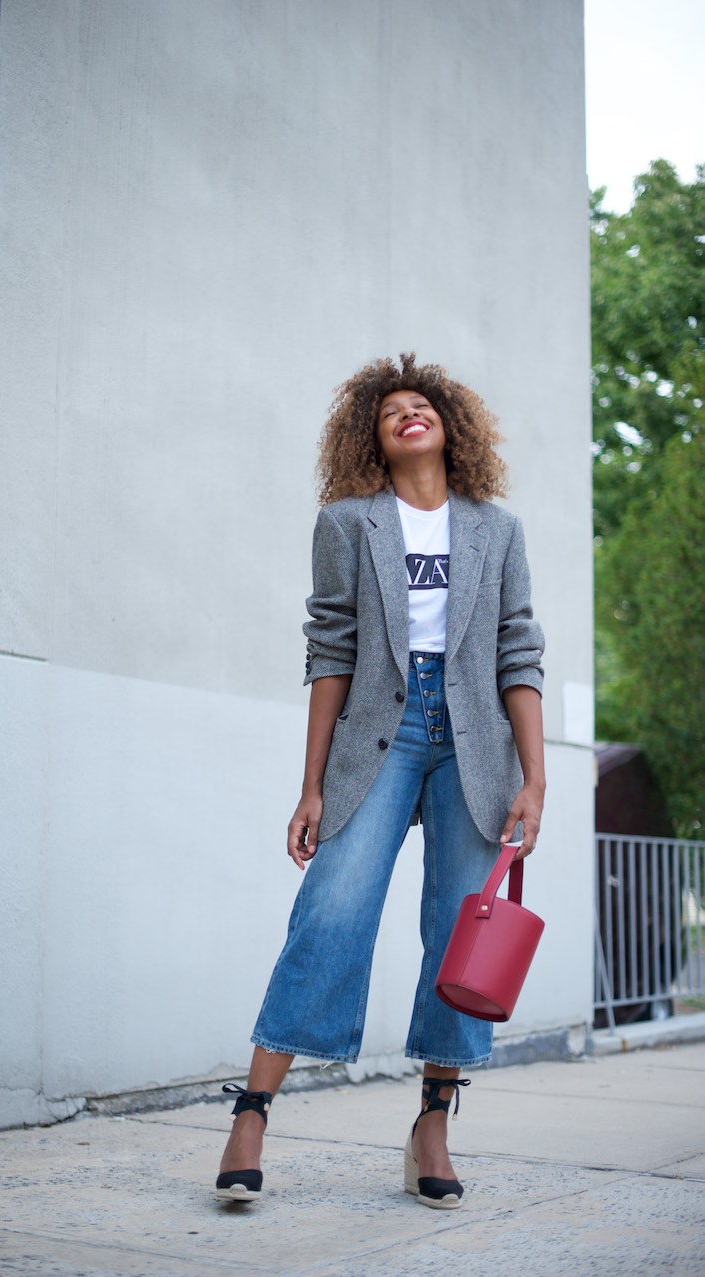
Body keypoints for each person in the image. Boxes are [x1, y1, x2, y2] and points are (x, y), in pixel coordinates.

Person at [215, 354, 545, 1207]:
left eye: (421, 403)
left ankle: (432, 1124)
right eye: (390, 408)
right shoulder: (347, 523)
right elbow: (329, 652)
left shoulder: (495, 530)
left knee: (455, 938)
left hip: (474, 743)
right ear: (372, 433)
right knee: (330, 911)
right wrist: (311, 784)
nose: (407, 413)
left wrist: (535, 778)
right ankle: (252, 1110)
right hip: (380, 732)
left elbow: (519, 652)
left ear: (449, 425)